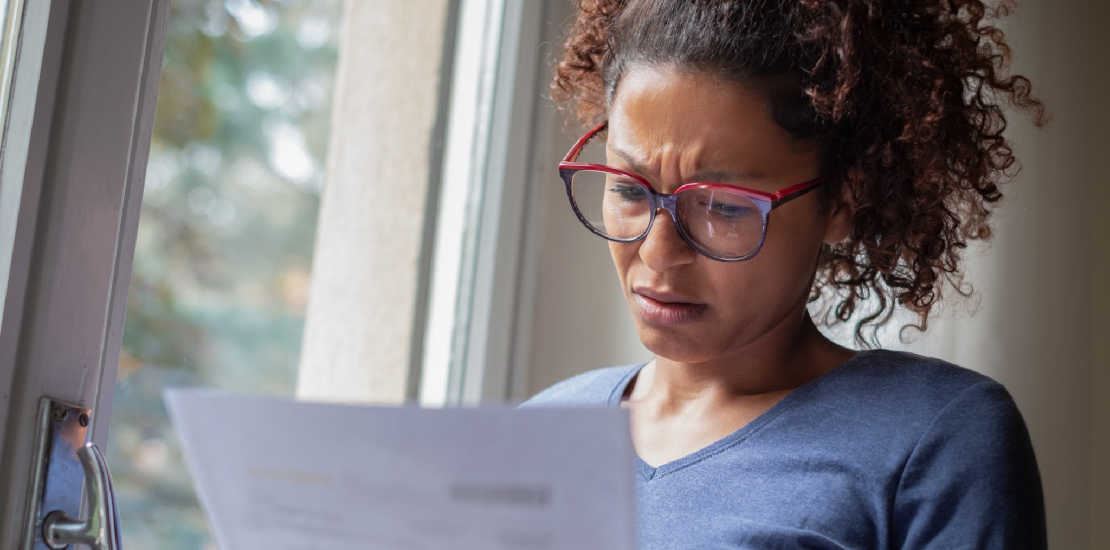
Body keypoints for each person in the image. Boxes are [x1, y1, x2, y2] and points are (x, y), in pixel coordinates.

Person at [519, 0, 1048, 548]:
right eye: (629, 189)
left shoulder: (931, 439)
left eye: (723, 206)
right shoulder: (542, 430)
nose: (657, 253)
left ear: (844, 200)